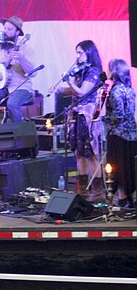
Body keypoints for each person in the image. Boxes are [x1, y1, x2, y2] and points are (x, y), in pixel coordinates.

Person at [54, 40, 105, 201]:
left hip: (87, 116)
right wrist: (61, 89)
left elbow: (83, 92)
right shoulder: (81, 71)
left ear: (89, 53)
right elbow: (75, 91)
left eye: (80, 52)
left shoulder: (94, 72)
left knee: (91, 154)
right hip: (76, 114)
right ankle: (82, 190)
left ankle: (97, 191)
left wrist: (68, 80)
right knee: (79, 153)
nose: (77, 56)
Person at [0, 16, 35, 123]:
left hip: (21, 87)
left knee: (12, 104)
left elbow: (33, 73)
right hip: (2, 87)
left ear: (17, 32)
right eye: (5, 28)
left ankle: (18, 134)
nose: (5, 32)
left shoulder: (26, 49)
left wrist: (22, 59)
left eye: (9, 29)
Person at [103, 58, 137, 208]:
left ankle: (122, 198)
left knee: (118, 167)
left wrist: (102, 118)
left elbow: (118, 115)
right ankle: (131, 197)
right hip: (132, 134)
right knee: (130, 167)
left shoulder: (116, 90)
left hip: (118, 135)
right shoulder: (130, 89)